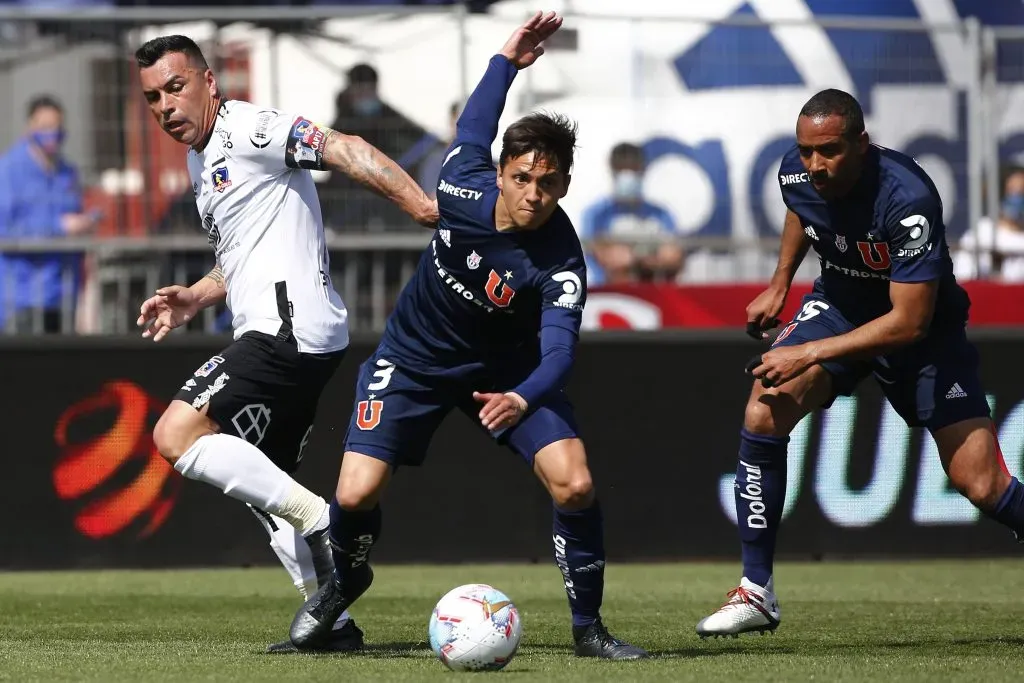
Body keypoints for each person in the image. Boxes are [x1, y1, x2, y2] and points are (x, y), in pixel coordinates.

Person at [285, 12, 647, 660]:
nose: (534, 194)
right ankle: (345, 581)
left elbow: (561, 351)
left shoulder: (560, 262)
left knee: (576, 482)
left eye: (550, 182)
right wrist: (507, 57)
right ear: (502, 171)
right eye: (523, 177)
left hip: (506, 372)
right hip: (412, 357)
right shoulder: (459, 182)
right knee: (354, 492)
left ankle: (588, 628)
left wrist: (525, 396)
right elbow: (477, 119)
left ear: (565, 184)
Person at [132, 35, 437, 653]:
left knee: (175, 435)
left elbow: (341, 147)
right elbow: (241, 255)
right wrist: (194, 296)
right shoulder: (202, 161)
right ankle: (333, 624)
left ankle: (327, 525)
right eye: (152, 97)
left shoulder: (250, 128)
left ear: (210, 82)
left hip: (285, 331)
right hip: (293, 332)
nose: (165, 105)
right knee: (262, 485)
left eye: (176, 87)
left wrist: (419, 203)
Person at [696, 89, 1024, 638]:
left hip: (922, 337)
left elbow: (908, 322)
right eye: (805, 151)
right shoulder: (796, 172)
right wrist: (780, 283)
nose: (814, 165)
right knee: (763, 411)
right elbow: (805, 211)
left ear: (862, 144)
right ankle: (756, 591)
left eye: (828, 152)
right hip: (841, 306)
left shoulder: (908, 196)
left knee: (981, 483)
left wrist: (808, 350)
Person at [0, 95, 98, 333]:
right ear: (29, 127)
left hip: (63, 295)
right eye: (45, 127)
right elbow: (5, 229)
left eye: (57, 127)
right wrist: (59, 227)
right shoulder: (9, 170)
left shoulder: (68, 172)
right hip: (22, 298)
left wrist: (85, 224)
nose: (52, 134)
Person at [580, 142, 683, 285]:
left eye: (634, 169)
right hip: (609, 292)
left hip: (656, 292)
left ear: (643, 171)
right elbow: (606, 257)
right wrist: (648, 257)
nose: (628, 176)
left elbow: (672, 256)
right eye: (622, 170)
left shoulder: (662, 214)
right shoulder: (596, 214)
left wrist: (636, 260)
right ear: (613, 172)